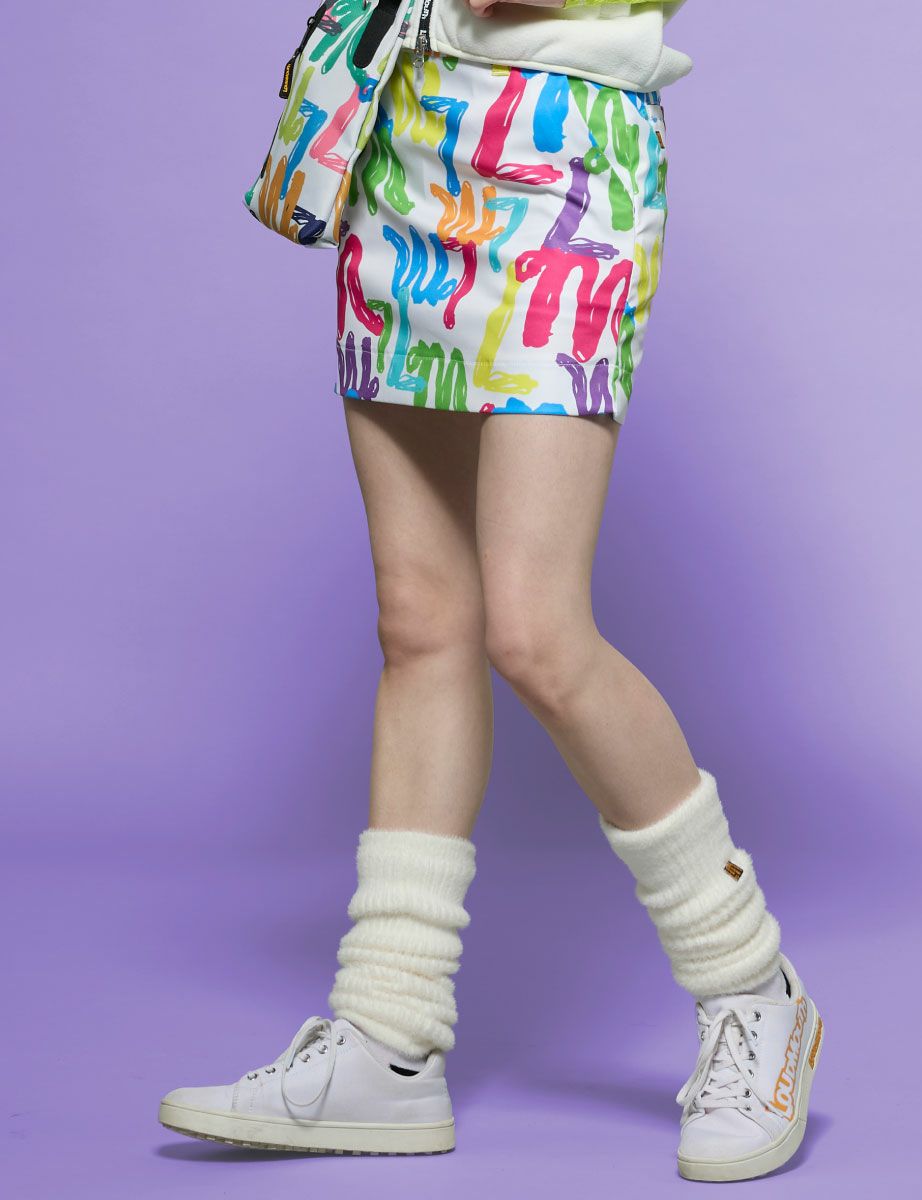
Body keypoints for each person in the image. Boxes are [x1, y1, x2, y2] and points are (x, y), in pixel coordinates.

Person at [159, 0, 823, 1182]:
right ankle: (389, 1038)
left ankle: (751, 990)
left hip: (566, 145)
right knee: (420, 620)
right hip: (405, 134)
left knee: (536, 633)